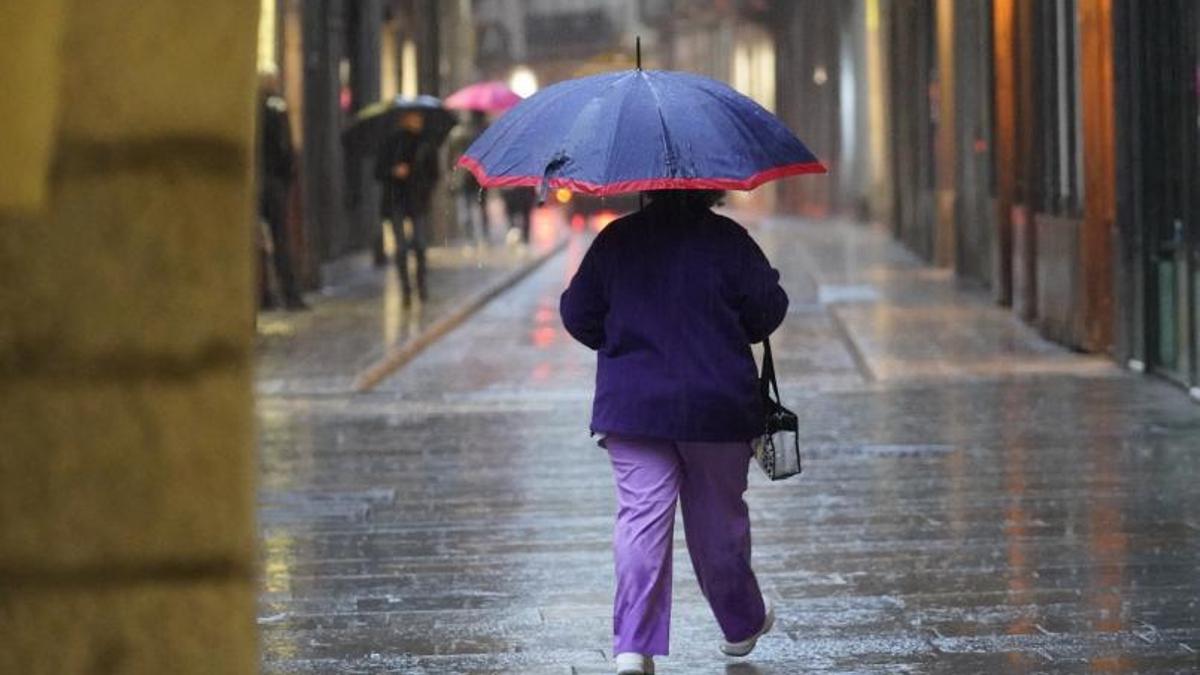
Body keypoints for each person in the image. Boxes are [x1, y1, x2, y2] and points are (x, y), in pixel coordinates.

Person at [559, 190, 786, 675]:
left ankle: (631, 648)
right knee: (718, 523)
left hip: (635, 408)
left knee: (640, 519)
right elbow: (768, 310)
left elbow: (577, 314)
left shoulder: (616, 241)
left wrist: (624, 339)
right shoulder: (729, 240)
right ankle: (742, 623)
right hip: (717, 407)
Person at [375, 112, 440, 304]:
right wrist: (393, 171)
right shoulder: (391, 143)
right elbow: (378, 171)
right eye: (413, 117)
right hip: (395, 200)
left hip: (416, 201)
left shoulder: (426, 144)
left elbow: (434, 174)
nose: (417, 121)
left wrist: (422, 184)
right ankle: (406, 289)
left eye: (419, 118)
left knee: (419, 244)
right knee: (401, 247)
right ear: (403, 119)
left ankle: (421, 285)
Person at [258, 73, 308, 311]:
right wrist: (288, 176)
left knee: (256, 241)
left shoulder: (250, 106)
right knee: (280, 239)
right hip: (273, 183)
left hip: (254, 182)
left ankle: (263, 295)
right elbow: (284, 148)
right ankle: (290, 296)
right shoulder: (277, 106)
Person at [448, 110, 490, 246]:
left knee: (464, 208)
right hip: (480, 175)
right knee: (481, 207)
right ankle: (484, 236)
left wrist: (450, 173)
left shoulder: (457, 132)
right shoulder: (485, 131)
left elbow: (449, 156)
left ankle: (469, 239)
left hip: (462, 174)